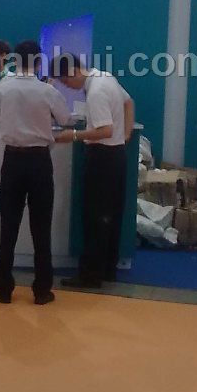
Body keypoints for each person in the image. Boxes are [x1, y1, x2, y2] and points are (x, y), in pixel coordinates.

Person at [0, 41, 70, 305]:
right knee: (41, 227)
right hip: (39, 162)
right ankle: (42, 289)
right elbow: (65, 120)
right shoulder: (48, 91)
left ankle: (3, 288)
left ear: (14, 60)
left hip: (12, 160)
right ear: (38, 62)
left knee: (8, 226)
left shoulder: (3, 88)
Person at [51, 54, 134, 288]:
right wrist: (125, 135)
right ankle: (107, 268)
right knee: (111, 215)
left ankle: (90, 274)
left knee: (95, 216)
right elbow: (129, 102)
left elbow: (105, 130)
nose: (67, 86)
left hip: (101, 157)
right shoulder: (106, 77)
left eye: (65, 81)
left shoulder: (96, 91)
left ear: (74, 71)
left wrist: (73, 135)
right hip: (116, 155)